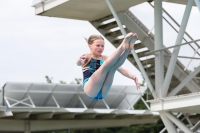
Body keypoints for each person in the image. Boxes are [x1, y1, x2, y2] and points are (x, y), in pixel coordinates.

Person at [76, 32, 140, 100]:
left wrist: (133, 76)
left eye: (102, 46)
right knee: (105, 67)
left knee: (113, 68)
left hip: (102, 92)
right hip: (90, 88)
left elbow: (121, 69)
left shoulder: (105, 58)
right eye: (97, 45)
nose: (100, 48)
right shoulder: (87, 55)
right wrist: (79, 60)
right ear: (90, 46)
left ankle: (128, 49)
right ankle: (122, 46)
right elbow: (78, 63)